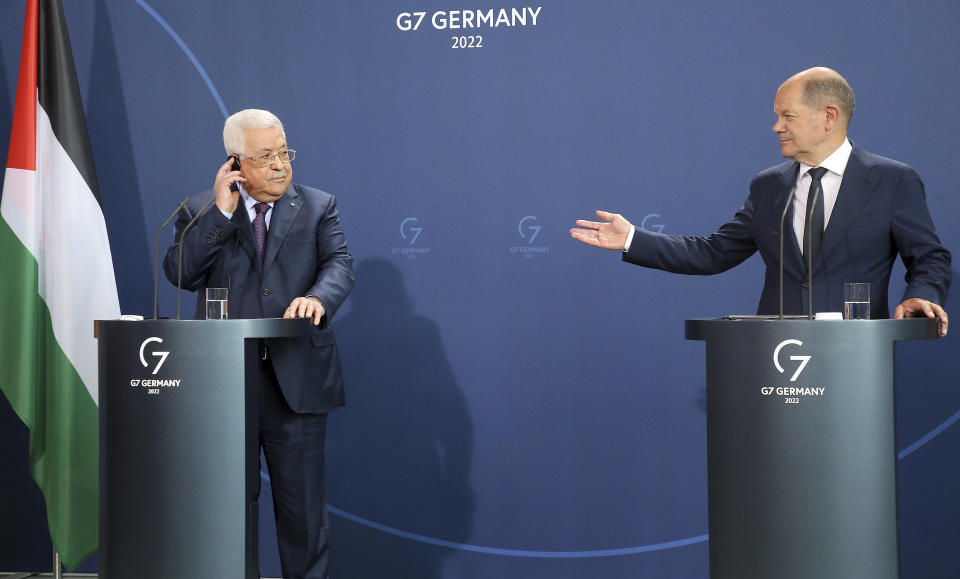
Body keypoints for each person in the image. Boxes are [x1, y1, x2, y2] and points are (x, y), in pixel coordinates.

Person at [570, 67, 950, 336]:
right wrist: (633, 238)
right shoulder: (769, 186)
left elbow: (930, 257)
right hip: (774, 357)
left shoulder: (891, 180)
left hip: (857, 353)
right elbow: (714, 252)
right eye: (776, 116)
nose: (776, 127)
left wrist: (921, 295)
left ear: (829, 116)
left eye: (787, 116)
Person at [163, 108, 354, 578]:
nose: (280, 165)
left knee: (303, 517)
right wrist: (222, 213)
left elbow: (340, 266)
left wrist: (316, 298)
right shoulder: (200, 211)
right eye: (265, 156)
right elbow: (181, 273)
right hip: (224, 386)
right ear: (234, 163)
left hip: (297, 383)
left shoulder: (316, 205)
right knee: (227, 512)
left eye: (284, 152)